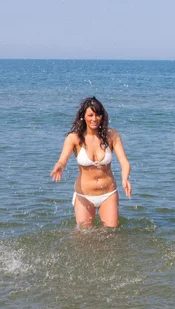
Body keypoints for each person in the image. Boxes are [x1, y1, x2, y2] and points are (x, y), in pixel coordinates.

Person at [50, 97, 131, 228]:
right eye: (90, 115)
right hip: (84, 195)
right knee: (84, 237)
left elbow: (124, 162)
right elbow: (62, 160)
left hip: (108, 193)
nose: (94, 119)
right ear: (83, 116)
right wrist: (59, 167)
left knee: (111, 234)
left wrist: (125, 178)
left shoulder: (112, 135)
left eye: (98, 115)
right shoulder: (74, 138)